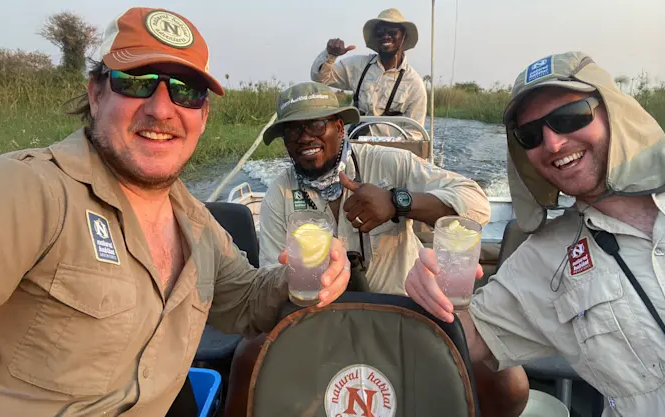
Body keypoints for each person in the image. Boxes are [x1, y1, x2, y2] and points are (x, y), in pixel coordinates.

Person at [0, 8, 350, 417]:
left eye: (186, 91)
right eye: (137, 82)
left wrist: (305, 276)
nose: (161, 110)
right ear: (96, 94)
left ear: (202, 116)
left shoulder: (198, 226)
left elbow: (248, 301)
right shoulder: (22, 193)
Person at [404, 51, 665, 417]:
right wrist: (436, 292)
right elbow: (472, 336)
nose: (553, 144)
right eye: (530, 135)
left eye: (569, 117)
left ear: (614, 111)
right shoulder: (543, 259)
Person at [221, 81, 530, 417]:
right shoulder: (280, 193)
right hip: (321, 322)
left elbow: (477, 203)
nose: (304, 137)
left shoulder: (389, 164)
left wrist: (398, 202)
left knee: (508, 384)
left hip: (407, 318)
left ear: (339, 127)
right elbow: (270, 277)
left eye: (315, 124)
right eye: (291, 130)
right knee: (248, 358)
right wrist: (298, 272)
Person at [311, 8, 428, 140]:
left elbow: (414, 134)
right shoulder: (358, 66)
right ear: (375, 37)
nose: (386, 36)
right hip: (354, 146)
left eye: (392, 32)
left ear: (404, 36)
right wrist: (330, 55)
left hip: (392, 152)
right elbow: (320, 78)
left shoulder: (414, 83)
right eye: (380, 32)